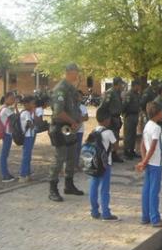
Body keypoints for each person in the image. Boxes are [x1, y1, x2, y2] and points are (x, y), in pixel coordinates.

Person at [49, 63, 84, 201]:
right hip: (61, 128)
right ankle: (52, 189)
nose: (77, 75)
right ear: (69, 72)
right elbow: (58, 112)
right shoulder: (61, 89)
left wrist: (78, 119)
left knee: (71, 157)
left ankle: (69, 185)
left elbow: (75, 107)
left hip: (71, 128)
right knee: (59, 158)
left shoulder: (71, 89)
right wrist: (73, 121)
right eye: (76, 72)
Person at [137, 101, 162, 228]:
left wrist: (144, 160)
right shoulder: (156, 128)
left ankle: (145, 216)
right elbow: (153, 147)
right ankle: (155, 218)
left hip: (149, 162)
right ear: (158, 113)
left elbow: (143, 145)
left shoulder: (147, 126)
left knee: (147, 190)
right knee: (154, 191)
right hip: (155, 163)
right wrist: (145, 161)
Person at [88, 107, 118, 221]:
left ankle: (94, 211)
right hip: (106, 164)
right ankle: (106, 213)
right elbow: (116, 147)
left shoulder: (93, 131)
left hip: (94, 163)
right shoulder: (108, 132)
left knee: (93, 187)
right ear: (107, 119)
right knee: (104, 189)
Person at [101, 77, 124, 163]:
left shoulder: (118, 93)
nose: (122, 85)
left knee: (115, 137)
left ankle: (114, 154)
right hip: (110, 118)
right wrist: (106, 118)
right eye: (121, 84)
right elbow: (104, 106)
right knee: (110, 137)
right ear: (117, 83)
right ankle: (107, 155)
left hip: (116, 118)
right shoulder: (110, 93)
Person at [0, 91, 18, 182]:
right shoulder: (6, 110)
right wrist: (16, 108)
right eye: (12, 99)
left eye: (14, 99)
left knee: (4, 155)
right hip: (7, 134)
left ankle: (6, 173)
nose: (13, 100)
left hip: (6, 134)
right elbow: (17, 118)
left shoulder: (4, 108)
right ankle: (5, 175)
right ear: (6, 98)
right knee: (4, 155)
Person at [122, 80, 142, 160]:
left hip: (135, 115)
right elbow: (124, 106)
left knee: (133, 134)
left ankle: (131, 150)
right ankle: (127, 152)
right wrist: (124, 114)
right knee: (128, 134)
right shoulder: (129, 94)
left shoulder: (136, 94)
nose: (139, 87)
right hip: (129, 116)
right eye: (138, 86)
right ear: (134, 85)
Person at [19, 95, 36, 182]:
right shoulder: (26, 113)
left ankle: (27, 174)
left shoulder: (26, 112)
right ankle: (22, 175)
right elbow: (30, 125)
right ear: (27, 104)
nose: (33, 105)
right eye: (32, 103)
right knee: (26, 156)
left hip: (29, 136)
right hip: (28, 137)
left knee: (28, 156)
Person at [76, 91, 89, 169]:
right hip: (71, 130)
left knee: (78, 147)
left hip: (79, 129)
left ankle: (76, 164)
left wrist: (79, 119)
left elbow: (86, 117)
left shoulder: (82, 107)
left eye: (81, 97)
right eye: (78, 96)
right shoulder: (70, 106)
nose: (79, 98)